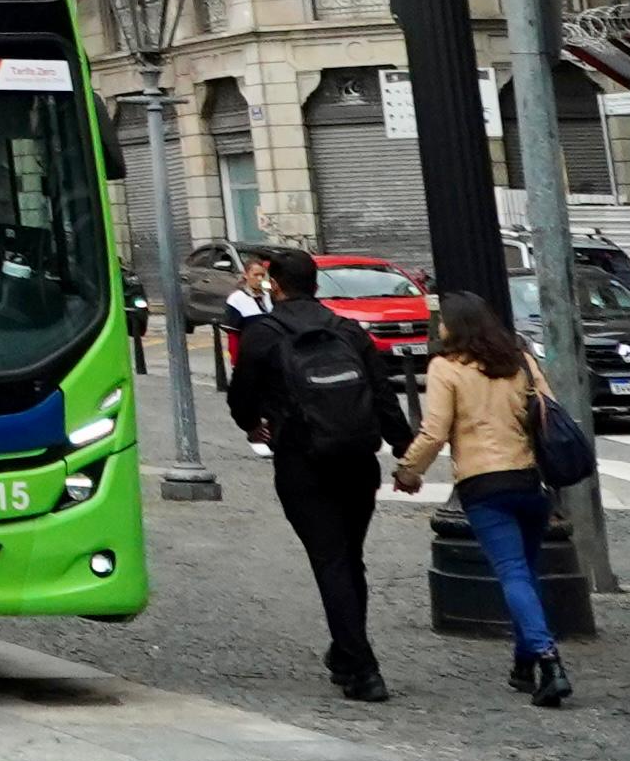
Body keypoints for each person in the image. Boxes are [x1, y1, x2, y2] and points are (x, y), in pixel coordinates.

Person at [225, 245, 407, 701]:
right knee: (349, 557)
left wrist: (254, 423)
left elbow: (240, 401)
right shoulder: (347, 329)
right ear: (316, 284)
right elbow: (383, 394)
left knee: (330, 559)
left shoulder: (263, 334)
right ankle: (347, 655)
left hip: (302, 459)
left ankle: (363, 666)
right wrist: (405, 448)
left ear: (276, 285)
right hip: (358, 460)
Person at [395, 290, 572, 709]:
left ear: (456, 327)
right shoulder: (520, 360)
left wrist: (407, 471)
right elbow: (550, 407)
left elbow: (435, 430)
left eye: (442, 321)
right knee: (526, 574)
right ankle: (524, 664)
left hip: (484, 485)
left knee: (511, 573)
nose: (438, 328)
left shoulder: (445, 367)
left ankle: (549, 661)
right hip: (529, 480)